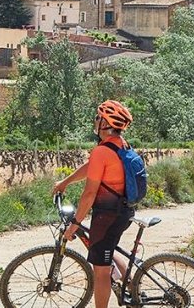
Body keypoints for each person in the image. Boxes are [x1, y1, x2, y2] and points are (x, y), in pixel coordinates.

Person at [52, 99, 135, 308]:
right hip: (123, 211)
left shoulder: (102, 151)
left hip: (108, 215)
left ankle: (129, 293)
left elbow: (89, 194)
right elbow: (92, 167)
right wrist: (66, 182)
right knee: (108, 248)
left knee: (101, 271)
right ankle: (134, 288)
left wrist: (75, 224)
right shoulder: (119, 145)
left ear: (106, 123)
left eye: (98, 117)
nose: (94, 121)